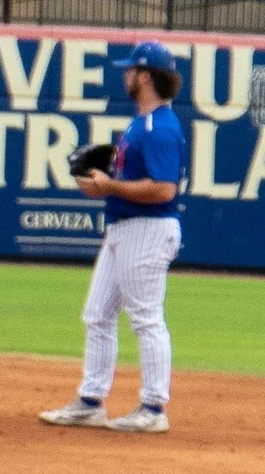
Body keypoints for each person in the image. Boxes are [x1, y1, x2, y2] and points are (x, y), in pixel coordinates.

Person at [37, 40, 185, 432]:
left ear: (146, 76)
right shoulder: (140, 122)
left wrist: (111, 187)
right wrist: (105, 183)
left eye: (130, 70)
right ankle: (90, 400)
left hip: (147, 230)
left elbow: (164, 189)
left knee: (146, 319)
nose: (125, 75)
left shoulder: (160, 128)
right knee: (97, 314)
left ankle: (153, 409)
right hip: (124, 229)